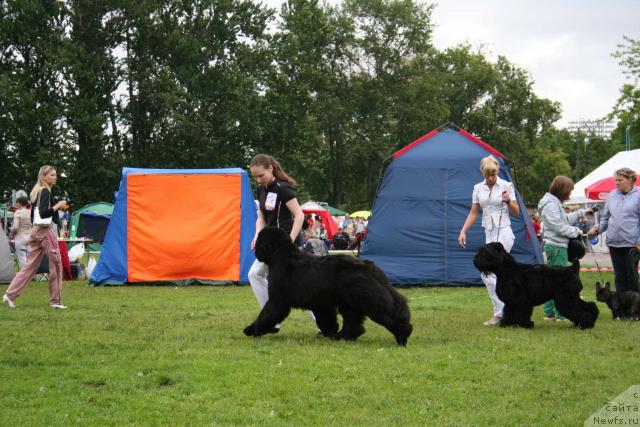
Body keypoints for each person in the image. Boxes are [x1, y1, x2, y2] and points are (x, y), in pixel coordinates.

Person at [458, 155, 520, 325]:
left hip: (504, 232)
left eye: (493, 175)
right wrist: (463, 231)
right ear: (483, 173)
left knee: (492, 273)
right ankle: (503, 311)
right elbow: (473, 212)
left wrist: (508, 201)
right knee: (487, 274)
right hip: (489, 234)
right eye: (487, 175)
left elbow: (517, 211)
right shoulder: (478, 188)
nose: (491, 178)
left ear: (497, 171)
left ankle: (501, 313)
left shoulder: (506, 185)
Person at [248, 154, 305, 333]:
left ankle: (322, 323)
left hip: (288, 245)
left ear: (270, 169)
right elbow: (261, 217)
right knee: (255, 274)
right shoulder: (262, 189)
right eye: (255, 177)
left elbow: (300, 215)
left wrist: (290, 239)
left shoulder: (283, 189)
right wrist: (257, 236)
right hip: (271, 247)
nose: (258, 180)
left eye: (261, 175)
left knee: (303, 285)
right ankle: (272, 319)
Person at [3, 165, 69, 309]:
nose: (55, 177)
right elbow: (45, 213)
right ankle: (56, 301)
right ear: (43, 177)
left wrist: (55, 210)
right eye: (52, 175)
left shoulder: (37, 192)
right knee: (56, 266)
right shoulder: (45, 191)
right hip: (45, 232)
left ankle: (9, 294)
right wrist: (58, 205)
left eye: (55, 174)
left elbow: (36, 215)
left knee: (29, 266)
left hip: (36, 231)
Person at [538, 175, 592, 321]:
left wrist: (581, 213)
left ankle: (549, 313)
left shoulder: (554, 203)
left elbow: (564, 220)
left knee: (551, 282)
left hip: (557, 245)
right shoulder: (550, 204)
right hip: (556, 247)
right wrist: (576, 231)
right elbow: (558, 226)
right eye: (569, 190)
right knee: (560, 283)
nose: (570, 194)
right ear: (562, 190)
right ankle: (560, 313)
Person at [588, 168, 640, 293]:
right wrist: (597, 229)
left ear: (630, 180)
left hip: (632, 243)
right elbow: (605, 217)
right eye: (615, 180)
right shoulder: (611, 195)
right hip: (614, 242)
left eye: (620, 180)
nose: (616, 183)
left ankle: (635, 308)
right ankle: (621, 309)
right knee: (619, 276)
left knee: (631, 276)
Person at [9, 196, 33, 269]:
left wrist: (11, 233)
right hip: (30, 237)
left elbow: (15, 227)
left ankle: (24, 276)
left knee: (22, 258)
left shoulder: (18, 212)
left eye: (17, 203)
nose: (16, 204)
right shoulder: (30, 212)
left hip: (20, 237)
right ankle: (31, 275)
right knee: (30, 257)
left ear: (20, 203)